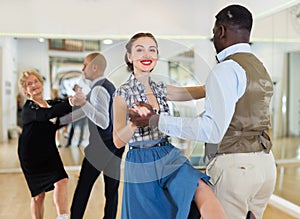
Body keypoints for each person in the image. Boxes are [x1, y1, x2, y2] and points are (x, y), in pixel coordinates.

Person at [130, 5, 277, 219]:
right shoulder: (259, 67)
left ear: (221, 31)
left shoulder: (226, 69)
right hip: (264, 166)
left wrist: (156, 120)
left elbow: (212, 130)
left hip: (237, 168)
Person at [113, 32, 227, 219]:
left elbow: (202, 91)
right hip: (141, 162)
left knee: (199, 186)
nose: (147, 55)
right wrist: (135, 123)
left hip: (168, 154)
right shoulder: (122, 93)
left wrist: (227, 74)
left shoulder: (161, 89)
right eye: (140, 50)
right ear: (130, 56)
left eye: (152, 50)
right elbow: (117, 141)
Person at [60, 52, 124, 219]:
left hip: (100, 147)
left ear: (94, 67)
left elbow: (103, 122)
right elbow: (85, 112)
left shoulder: (99, 88)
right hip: (115, 145)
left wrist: (84, 103)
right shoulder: (108, 86)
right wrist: (60, 120)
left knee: (83, 188)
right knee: (111, 191)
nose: (83, 69)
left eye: (85, 65)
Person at [17, 69, 74, 219]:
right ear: (25, 90)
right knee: (38, 196)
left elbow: (56, 118)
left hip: (48, 151)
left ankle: (62, 217)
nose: (34, 85)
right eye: (29, 84)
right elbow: (46, 115)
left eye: (36, 81)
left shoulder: (50, 103)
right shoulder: (29, 108)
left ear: (41, 83)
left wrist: (79, 103)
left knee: (62, 180)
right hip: (31, 155)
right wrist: (70, 102)